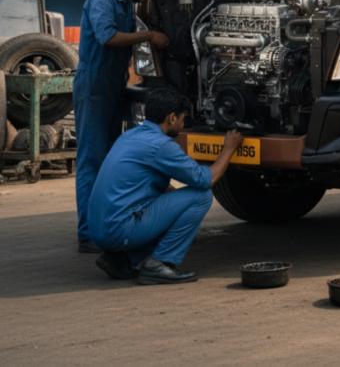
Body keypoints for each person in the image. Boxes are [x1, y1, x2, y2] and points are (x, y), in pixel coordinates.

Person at [89, 88, 244, 284]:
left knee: (173, 199)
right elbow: (206, 179)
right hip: (118, 230)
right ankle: (158, 265)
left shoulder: (129, 136)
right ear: (172, 118)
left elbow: (144, 182)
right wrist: (229, 148)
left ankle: (119, 258)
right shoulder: (162, 145)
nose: (183, 124)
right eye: (183, 118)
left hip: (98, 230)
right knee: (201, 196)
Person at [74, 0, 170, 254]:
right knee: (91, 160)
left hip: (114, 86)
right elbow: (108, 37)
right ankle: (87, 233)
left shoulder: (127, 4)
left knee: (110, 160)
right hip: (94, 86)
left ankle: (105, 224)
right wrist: (148, 35)